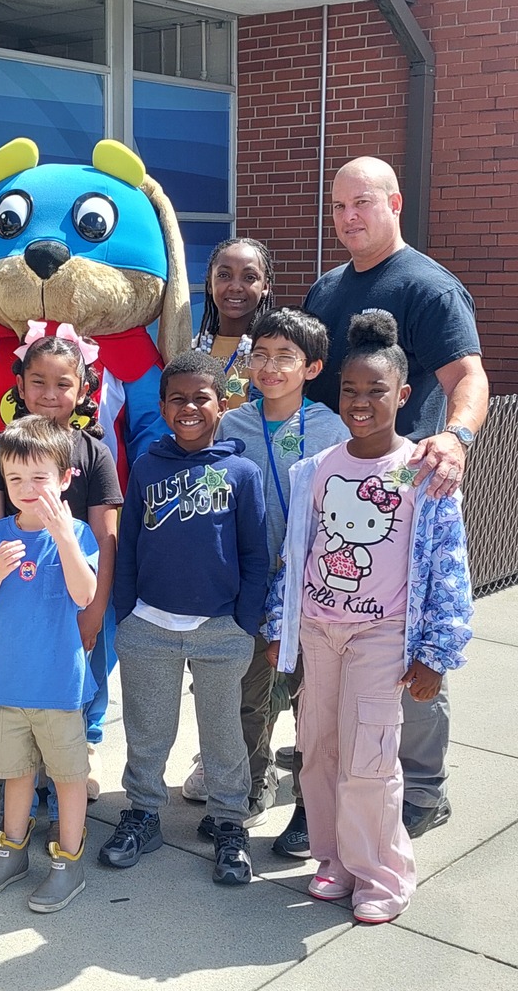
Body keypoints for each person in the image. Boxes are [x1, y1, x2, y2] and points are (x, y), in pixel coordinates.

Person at [290, 155, 489, 848]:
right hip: (336, 489)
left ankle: (424, 791)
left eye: (362, 203)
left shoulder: (430, 288)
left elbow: (470, 375)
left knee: (408, 647)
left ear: (394, 203)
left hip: (406, 496)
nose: (348, 217)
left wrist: (457, 439)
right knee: (342, 647)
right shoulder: (326, 288)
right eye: (339, 206)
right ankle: (337, 777)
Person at [264, 311, 472, 924]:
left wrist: (435, 652)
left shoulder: (420, 470)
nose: (360, 402)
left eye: (375, 391)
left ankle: (382, 872)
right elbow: (297, 553)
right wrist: (284, 629)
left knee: (370, 755)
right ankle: (335, 858)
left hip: (381, 632)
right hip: (318, 631)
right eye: (350, 390)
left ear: (402, 395)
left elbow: (447, 565)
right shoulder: (316, 469)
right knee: (319, 747)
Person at [98, 349, 268, 885]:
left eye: (201, 397)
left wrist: (245, 620)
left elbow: (255, 553)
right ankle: (143, 812)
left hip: (221, 629)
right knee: (148, 729)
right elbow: (128, 549)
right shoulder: (148, 465)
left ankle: (228, 821)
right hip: (149, 624)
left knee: (223, 733)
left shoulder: (241, 471)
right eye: (177, 399)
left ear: (222, 405)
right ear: (164, 407)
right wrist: (127, 613)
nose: (189, 407)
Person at [182, 308, 349, 840]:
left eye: (286, 358)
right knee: (245, 693)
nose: (270, 367)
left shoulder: (329, 427)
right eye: (261, 356)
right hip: (249, 585)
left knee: (311, 700)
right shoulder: (233, 422)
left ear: (313, 367)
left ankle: (309, 805)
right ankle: (252, 785)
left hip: (311, 586)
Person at [0, 323, 123, 840]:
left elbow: (106, 538)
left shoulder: (93, 452)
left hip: (75, 595)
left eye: (63, 384)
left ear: (84, 389)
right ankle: (25, 793)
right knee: (24, 699)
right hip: (19, 599)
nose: (50, 394)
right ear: (19, 385)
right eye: (38, 382)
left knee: (78, 691)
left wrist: (95, 611)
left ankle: (80, 762)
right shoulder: (0, 449)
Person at [0, 415, 98, 914]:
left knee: (68, 777)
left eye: (39, 477)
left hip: (59, 687)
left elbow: (85, 594)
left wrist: (62, 537)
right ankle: (12, 851)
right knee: (16, 775)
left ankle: (68, 862)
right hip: (10, 687)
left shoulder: (79, 533)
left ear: (65, 478)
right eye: (15, 478)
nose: (26, 488)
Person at [194, 238, 275, 408]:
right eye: (224, 275)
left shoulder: (276, 354)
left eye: (249, 277)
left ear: (265, 286)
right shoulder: (194, 350)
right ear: (210, 283)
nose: (235, 286)